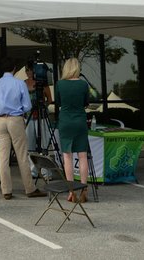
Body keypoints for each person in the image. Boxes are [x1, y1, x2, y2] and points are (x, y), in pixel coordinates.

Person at [0, 57, 45, 200]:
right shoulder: (19, 83)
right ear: (14, 69)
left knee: (3, 156)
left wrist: (1, 110)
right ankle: (29, 188)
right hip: (15, 119)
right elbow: (28, 105)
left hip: (0, 120)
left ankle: (7, 190)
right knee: (21, 155)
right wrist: (18, 110)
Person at [55, 57, 90, 203]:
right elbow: (86, 103)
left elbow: (58, 103)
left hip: (65, 121)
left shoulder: (60, 84)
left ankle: (71, 191)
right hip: (80, 120)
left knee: (67, 157)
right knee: (82, 156)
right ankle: (83, 189)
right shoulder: (83, 85)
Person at [24, 61, 53, 175]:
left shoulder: (42, 84)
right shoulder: (23, 84)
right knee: (29, 144)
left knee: (44, 143)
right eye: (26, 70)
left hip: (41, 116)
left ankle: (46, 171)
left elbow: (50, 99)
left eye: (30, 69)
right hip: (28, 116)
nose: (28, 72)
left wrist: (43, 106)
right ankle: (33, 170)